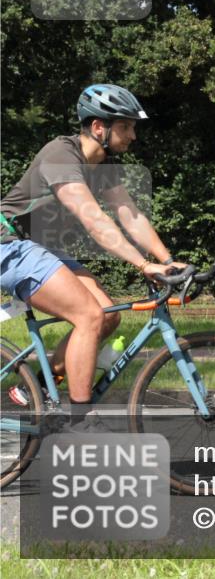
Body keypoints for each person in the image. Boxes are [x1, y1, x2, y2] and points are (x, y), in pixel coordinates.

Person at [1, 84, 184, 424]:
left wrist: (168, 261)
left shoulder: (102, 164)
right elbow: (94, 219)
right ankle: (80, 422)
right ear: (99, 127)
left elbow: (130, 215)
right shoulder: (61, 155)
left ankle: (32, 389)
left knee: (108, 314)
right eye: (126, 127)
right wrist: (143, 264)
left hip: (37, 248)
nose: (133, 136)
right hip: (8, 246)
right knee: (89, 316)